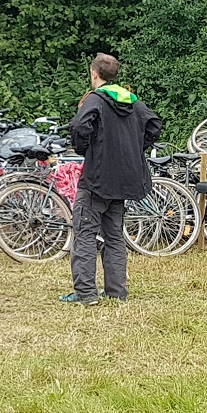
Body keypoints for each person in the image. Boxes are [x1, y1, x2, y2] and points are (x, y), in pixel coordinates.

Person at [61, 53, 163, 305]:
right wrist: (134, 148)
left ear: (94, 74)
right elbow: (154, 125)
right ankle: (117, 292)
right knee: (114, 236)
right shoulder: (131, 100)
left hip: (97, 179)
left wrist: (86, 149)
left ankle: (86, 294)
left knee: (85, 233)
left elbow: (78, 127)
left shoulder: (95, 100)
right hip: (123, 180)